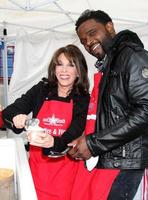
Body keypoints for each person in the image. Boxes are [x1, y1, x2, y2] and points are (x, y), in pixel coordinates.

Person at [68, 10, 148, 200]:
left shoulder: (135, 57)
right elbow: (113, 114)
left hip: (126, 162)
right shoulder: (110, 63)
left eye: (92, 33)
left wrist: (93, 143)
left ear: (109, 27)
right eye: (83, 40)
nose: (88, 42)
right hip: (111, 158)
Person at [2, 44, 90, 200]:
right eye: (59, 64)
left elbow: (74, 132)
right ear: (54, 68)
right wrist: (16, 119)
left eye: (70, 65)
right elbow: (9, 112)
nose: (63, 71)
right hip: (37, 170)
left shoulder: (83, 98)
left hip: (67, 173)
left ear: (78, 72)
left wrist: (53, 142)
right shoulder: (42, 90)